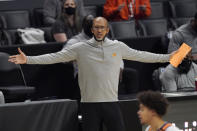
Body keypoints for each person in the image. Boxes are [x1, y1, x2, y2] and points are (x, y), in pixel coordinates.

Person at [9, 17, 176, 131]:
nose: (99, 30)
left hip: (111, 103)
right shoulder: (80, 48)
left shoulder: (118, 47)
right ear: (92, 29)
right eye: (96, 27)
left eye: (102, 27)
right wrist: (28, 59)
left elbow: (144, 55)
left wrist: (169, 57)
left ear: (107, 29)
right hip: (89, 105)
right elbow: (54, 57)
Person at [159, 12, 197, 92]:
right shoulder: (180, 33)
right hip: (185, 68)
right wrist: (192, 57)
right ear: (195, 21)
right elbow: (173, 58)